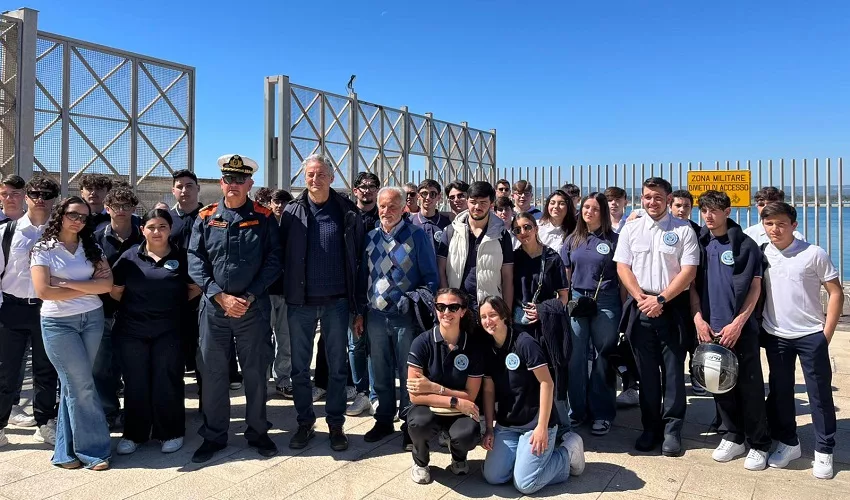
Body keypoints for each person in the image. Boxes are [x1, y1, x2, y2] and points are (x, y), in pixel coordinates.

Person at [188, 154, 281, 463]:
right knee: (213, 373)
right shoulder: (205, 216)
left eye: (240, 180)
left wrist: (250, 296)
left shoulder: (265, 217)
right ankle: (214, 436)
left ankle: (257, 432)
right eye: (229, 179)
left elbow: (274, 261)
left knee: (255, 373)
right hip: (214, 310)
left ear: (250, 183)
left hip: (252, 310)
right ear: (221, 182)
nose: (234, 185)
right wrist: (219, 296)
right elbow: (195, 260)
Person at [280, 154, 365, 452]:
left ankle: (336, 424)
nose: (314, 179)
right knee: (300, 369)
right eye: (309, 174)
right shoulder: (291, 212)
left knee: (338, 367)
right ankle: (305, 423)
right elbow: (281, 255)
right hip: (301, 302)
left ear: (331, 177)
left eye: (320, 174)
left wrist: (357, 306)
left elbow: (357, 259)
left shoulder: (347, 212)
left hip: (337, 302)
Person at [613, 177, 699, 456]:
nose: (652, 202)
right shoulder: (631, 228)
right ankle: (650, 428)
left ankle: (672, 430)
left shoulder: (684, 230)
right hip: (641, 305)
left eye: (658, 197)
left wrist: (661, 299)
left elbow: (689, 271)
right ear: (642, 197)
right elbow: (623, 267)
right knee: (646, 373)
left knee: (673, 372)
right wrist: (641, 298)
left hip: (672, 305)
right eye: (648, 196)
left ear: (668, 197)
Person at [759, 202, 843, 479]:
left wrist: (825, 335)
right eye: (769, 224)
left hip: (810, 335)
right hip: (776, 335)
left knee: (819, 395)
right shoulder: (763, 253)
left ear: (794, 225)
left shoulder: (813, 253)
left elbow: (835, 292)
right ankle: (789, 442)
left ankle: (824, 449)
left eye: (781, 223)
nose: (775, 229)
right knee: (781, 393)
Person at [688, 190, 770, 471]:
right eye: (704, 210)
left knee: (750, 386)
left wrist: (739, 322)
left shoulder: (746, 246)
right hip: (710, 327)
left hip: (740, 328)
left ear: (727, 212)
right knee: (718, 383)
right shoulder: (698, 244)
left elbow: (756, 288)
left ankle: (759, 443)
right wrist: (698, 318)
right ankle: (732, 436)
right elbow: (692, 286)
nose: (709, 216)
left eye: (714, 210)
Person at [31, 196, 113, 470]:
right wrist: (89, 285)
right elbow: (44, 291)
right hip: (59, 323)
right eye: (73, 215)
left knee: (75, 385)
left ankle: (65, 452)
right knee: (82, 385)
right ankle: (93, 451)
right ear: (61, 214)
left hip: (91, 319)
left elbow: (107, 286)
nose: (78, 221)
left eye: (83, 217)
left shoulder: (92, 247)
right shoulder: (44, 248)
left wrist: (66, 282)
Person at [111, 209, 200, 455]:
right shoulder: (130, 257)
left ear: (170, 229)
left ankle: (170, 432)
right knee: (135, 382)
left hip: (170, 331)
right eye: (151, 227)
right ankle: (134, 434)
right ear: (143, 230)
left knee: (167, 380)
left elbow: (194, 288)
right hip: (132, 331)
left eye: (162, 226)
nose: (157, 231)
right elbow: (115, 291)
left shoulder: (182, 257)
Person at [479, 296, 585, 494]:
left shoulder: (525, 342)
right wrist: (489, 429)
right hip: (508, 425)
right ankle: (526, 460)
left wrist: (542, 427)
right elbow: (488, 390)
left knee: (526, 484)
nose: (488, 321)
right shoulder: (488, 348)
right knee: (493, 477)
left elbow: (547, 383)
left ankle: (566, 454)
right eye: (483, 317)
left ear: (504, 316)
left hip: (534, 423)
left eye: (492, 315)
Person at [361, 187, 438, 449]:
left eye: (392, 206)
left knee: (409, 372)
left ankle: (409, 423)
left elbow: (431, 278)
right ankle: (383, 419)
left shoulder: (416, 236)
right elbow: (364, 275)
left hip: (405, 316)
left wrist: (414, 298)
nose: (386, 211)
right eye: (382, 206)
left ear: (404, 207)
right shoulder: (370, 236)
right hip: (375, 315)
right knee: (379, 368)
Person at [0, 176, 60, 446]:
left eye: (47, 194)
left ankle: (45, 422)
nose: (40, 198)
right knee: (6, 371)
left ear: (54, 199)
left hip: (47, 308)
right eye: (35, 193)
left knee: (46, 371)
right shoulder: (8, 232)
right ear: (26, 196)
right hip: (12, 308)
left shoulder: (60, 233)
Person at [406, 288, 482, 484]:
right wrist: (455, 400)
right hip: (430, 409)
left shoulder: (473, 345)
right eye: (441, 307)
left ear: (463, 311)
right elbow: (415, 396)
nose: (447, 312)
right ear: (435, 309)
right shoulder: (421, 342)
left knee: (468, 433)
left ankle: (458, 457)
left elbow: (471, 395)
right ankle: (420, 462)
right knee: (417, 424)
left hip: (459, 411)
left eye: (453, 307)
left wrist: (431, 386)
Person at [560, 193, 622, 436]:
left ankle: (602, 413)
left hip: (606, 301)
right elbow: (565, 273)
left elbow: (622, 276)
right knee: (574, 357)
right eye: (586, 207)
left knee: (602, 357)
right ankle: (577, 410)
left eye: (595, 208)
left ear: (603, 212)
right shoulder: (573, 239)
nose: (589, 212)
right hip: (577, 300)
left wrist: (624, 308)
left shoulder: (615, 240)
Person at [509, 212, 570, 435]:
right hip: (519, 325)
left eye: (527, 227)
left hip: (544, 327)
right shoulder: (513, 258)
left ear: (535, 228)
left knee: (550, 374)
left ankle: (560, 426)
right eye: (517, 230)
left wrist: (543, 310)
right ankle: (530, 421)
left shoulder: (552, 257)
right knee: (523, 375)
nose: (523, 233)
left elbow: (564, 296)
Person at [93, 187, 143, 430]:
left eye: (126, 206)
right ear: (107, 208)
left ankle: (136, 412)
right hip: (103, 312)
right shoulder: (96, 238)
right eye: (116, 206)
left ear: (134, 209)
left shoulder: (144, 236)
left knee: (134, 366)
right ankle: (108, 411)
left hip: (137, 313)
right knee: (102, 367)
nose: (121, 211)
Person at [438, 181, 514, 312]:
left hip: (489, 309)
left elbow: (507, 276)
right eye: (473, 202)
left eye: (483, 202)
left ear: (491, 204)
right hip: (457, 307)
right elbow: (441, 270)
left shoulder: (501, 234)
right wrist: (447, 302)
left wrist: (506, 312)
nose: (477, 207)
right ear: (467, 201)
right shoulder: (450, 231)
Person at [168, 169, 206, 375]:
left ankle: (207, 399)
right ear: (173, 191)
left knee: (204, 346)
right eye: (180, 187)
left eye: (189, 186)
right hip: (175, 291)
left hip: (204, 291)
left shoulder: (210, 216)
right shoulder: (167, 219)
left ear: (198, 189)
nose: (184, 190)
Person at [669, 189, 706, 396]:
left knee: (695, 336)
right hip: (670, 293)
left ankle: (696, 374)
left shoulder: (699, 232)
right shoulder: (664, 230)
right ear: (670, 206)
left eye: (686, 206)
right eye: (678, 206)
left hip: (694, 291)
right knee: (677, 339)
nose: (682, 210)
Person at [269, 189, 294, 399]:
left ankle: (283, 379)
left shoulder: (294, 227)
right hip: (265, 292)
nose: (280, 206)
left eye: (284, 202)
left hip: (287, 292)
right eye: (276, 202)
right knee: (261, 339)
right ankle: (261, 377)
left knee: (285, 340)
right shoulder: (263, 226)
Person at [411, 179, 451, 254]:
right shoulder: (410, 223)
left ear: (439, 197)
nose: (428, 198)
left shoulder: (448, 224)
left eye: (432, 194)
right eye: (424, 194)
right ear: (418, 196)